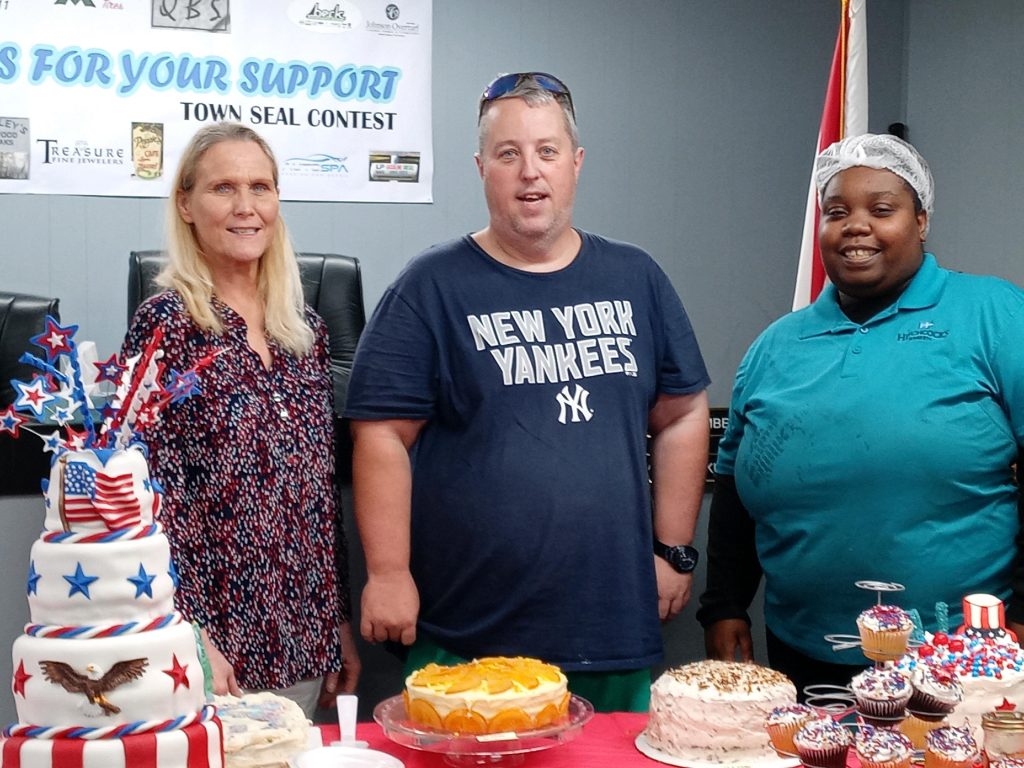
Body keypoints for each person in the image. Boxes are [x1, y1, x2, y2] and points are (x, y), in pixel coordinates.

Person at [345, 72, 710, 713]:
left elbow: (682, 415)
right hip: (467, 632)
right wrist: (388, 572)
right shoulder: (430, 287)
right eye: (509, 154)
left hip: (610, 623)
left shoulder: (637, 276)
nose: (529, 172)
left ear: (576, 164)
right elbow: (382, 436)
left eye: (546, 151)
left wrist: (673, 549)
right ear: (482, 167)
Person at [698, 133, 1024, 696]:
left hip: (963, 662)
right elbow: (734, 488)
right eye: (836, 212)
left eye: (881, 209)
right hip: (802, 652)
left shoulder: (994, 315)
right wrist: (724, 604)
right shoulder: (776, 346)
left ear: (921, 220)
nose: (855, 226)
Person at [122, 122, 360, 717]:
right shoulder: (164, 328)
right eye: (224, 188)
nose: (246, 207)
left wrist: (336, 621)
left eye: (261, 187)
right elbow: (146, 497)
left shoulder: (305, 330)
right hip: (208, 641)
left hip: (303, 639)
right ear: (186, 204)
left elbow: (315, 496)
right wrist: (190, 633)